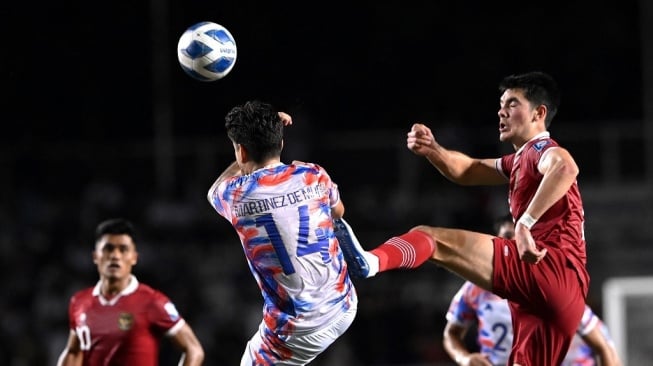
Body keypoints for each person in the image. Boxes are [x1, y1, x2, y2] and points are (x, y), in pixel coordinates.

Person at [337, 71, 589, 365]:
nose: (501, 111)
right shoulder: (518, 160)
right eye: (500, 104)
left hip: (548, 267)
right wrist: (434, 150)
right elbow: (468, 170)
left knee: (431, 238)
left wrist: (524, 223)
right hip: (564, 292)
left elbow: (565, 167)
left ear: (539, 113)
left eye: (511, 103)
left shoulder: (541, 149)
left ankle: (372, 261)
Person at [206, 100, 433, 366]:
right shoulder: (313, 174)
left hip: (295, 329)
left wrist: (247, 149)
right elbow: (338, 212)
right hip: (343, 304)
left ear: (241, 152)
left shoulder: (234, 195)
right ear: (281, 144)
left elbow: (214, 191)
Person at [443, 215, 622, 366]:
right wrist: (464, 358)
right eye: (507, 236)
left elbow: (603, 347)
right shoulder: (476, 289)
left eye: (520, 237)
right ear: (494, 242)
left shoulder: (553, 284)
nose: (515, 243)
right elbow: (451, 333)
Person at [57, 218, 205, 366]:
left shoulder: (152, 302)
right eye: (108, 249)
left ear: (134, 258)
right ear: (95, 256)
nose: (115, 256)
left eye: (123, 249)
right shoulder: (80, 301)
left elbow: (193, 349)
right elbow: (73, 352)